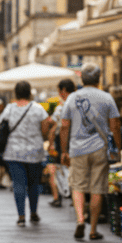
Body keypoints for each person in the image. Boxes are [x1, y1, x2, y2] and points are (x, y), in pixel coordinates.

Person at [59, 63, 122, 241]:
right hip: (100, 148)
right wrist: (117, 148)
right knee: (97, 188)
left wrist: (64, 151)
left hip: (77, 149)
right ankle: (93, 229)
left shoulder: (72, 98)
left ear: (81, 79)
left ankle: (80, 219)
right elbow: (115, 125)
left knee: (78, 186)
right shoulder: (107, 98)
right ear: (99, 78)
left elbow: (64, 126)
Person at [0, 81, 51, 226]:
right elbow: (45, 129)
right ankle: (34, 212)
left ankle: (21, 216)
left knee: (18, 184)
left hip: (14, 152)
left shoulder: (9, 109)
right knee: (34, 184)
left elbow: (1, 125)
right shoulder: (38, 108)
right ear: (29, 93)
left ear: (16, 93)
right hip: (34, 152)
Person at [46, 78, 76, 207]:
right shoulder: (79, 103)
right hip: (77, 141)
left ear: (63, 90)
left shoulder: (61, 107)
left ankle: (57, 196)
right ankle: (76, 198)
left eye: (59, 91)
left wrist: (52, 144)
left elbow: (54, 125)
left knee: (54, 169)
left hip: (62, 142)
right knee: (75, 171)